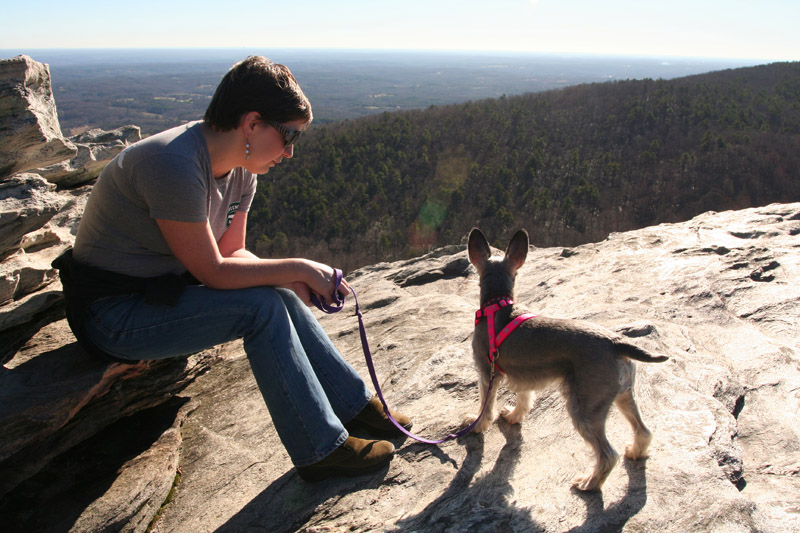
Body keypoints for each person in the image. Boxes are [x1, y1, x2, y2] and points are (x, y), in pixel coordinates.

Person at [52, 55, 411, 482]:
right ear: (252, 123)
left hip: (162, 296)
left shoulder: (241, 171)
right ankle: (320, 450)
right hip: (112, 315)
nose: (291, 152)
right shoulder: (171, 164)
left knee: (275, 295)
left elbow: (233, 251)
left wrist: (292, 279)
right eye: (289, 136)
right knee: (261, 308)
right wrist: (301, 266)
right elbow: (214, 272)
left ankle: (355, 406)